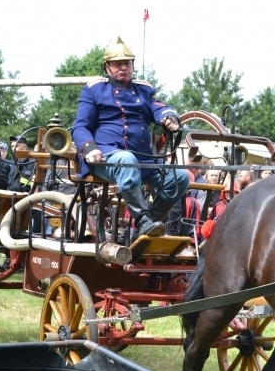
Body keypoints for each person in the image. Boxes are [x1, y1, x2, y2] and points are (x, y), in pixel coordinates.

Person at [71, 36, 189, 239]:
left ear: (133, 65)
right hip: (106, 158)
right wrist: (89, 149)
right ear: (107, 67)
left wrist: (169, 117)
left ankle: (145, 226)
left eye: (127, 63)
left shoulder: (144, 89)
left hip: (143, 160)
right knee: (127, 159)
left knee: (180, 177)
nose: (123, 67)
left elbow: (158, 107)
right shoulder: (94, 89)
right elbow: (80, 126)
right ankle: (143, 221)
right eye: (117, 64)